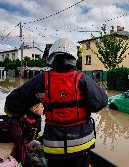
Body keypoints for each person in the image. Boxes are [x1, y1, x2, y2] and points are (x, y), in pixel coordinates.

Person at [4, 38, 108, 167]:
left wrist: (26, 111)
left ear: (51, 58)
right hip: (81, 148)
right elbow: (101, 102)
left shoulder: (41, 81)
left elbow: (11, 105)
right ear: (74, 58)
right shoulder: (82, 79)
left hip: (54, 149)